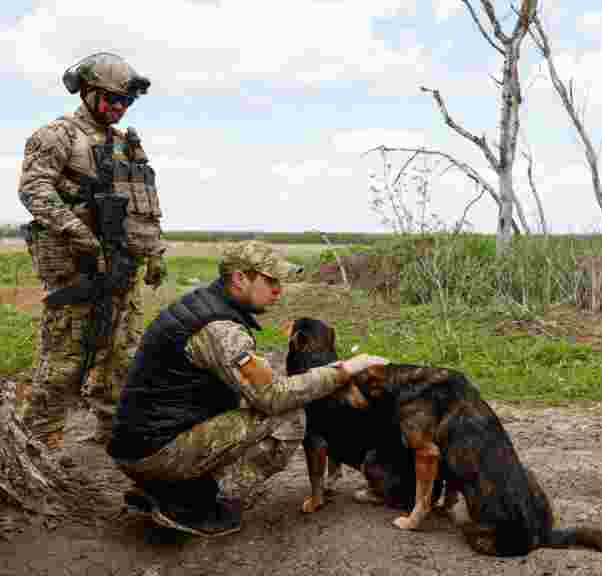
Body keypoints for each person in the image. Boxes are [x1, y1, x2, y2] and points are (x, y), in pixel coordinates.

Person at [107, 240, 389, 537]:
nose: (279, 291)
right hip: (156, 452)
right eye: (270, 281)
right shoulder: (221, 328)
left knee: (251, 405)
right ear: (240, 278)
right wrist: (343, 370)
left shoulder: (202, 305)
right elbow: (273, 397)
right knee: (291, 417)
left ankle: (169, 485)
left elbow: (253, 385)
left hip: (144, 443)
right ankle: (191, 500)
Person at [16, 52, 166, 455]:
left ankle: (111, 432)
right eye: (112, 99)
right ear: (88, 92)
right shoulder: (57, 136)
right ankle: (38, 444)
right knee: (64, 362)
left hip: (123, 268)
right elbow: (33, 190)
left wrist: (155, 252)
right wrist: (77, 231)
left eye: (126, 102)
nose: (119, 108)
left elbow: (143, 202)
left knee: (122, 358)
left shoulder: (125, 144)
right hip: (77, 271)